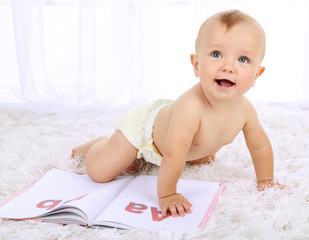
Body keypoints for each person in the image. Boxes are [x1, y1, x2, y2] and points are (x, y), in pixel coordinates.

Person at [72, 9, 285, 218]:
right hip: (146, 132)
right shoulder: (190, 107)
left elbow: (260, 146)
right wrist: (168, 194)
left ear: (257, 75)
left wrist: (266, 180)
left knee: (204, 157)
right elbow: (173, 155)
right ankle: (96, 146)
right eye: (217, 54)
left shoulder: (245, 110)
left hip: (178, 135)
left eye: (243, 59)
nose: (228, 67)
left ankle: (138, 155)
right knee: (100, 172)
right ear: (196, 64)